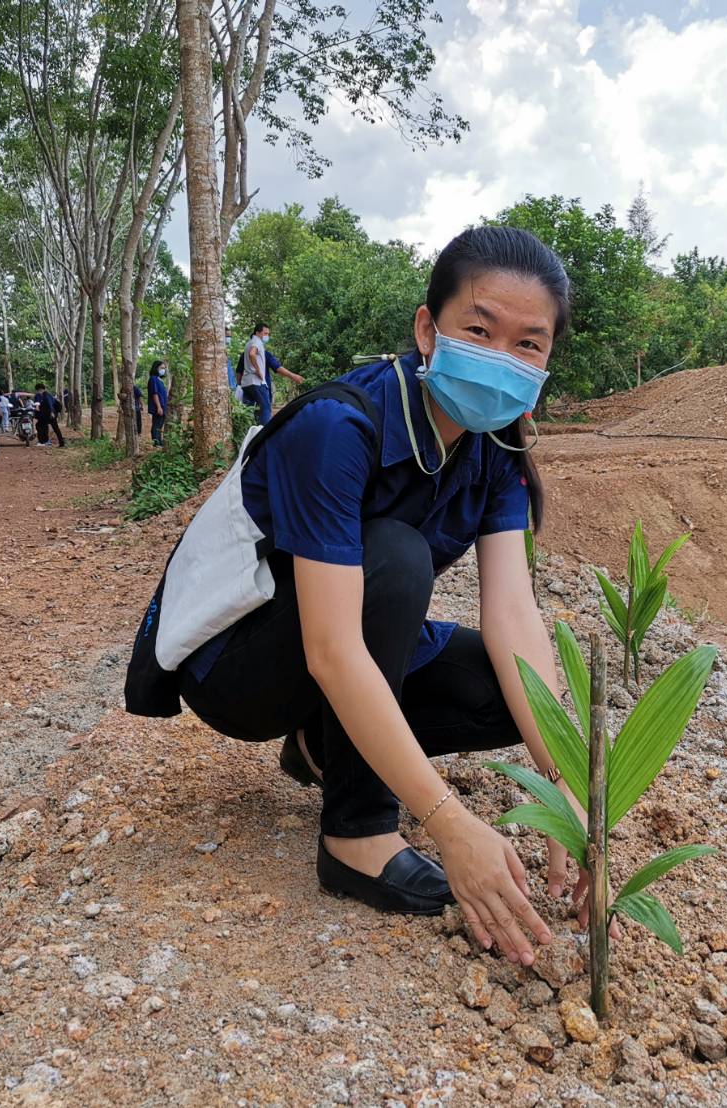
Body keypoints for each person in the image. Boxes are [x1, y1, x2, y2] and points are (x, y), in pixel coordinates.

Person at [147, 227, 601, 962]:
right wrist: (448, 823)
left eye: (527, 344)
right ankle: (356, 834)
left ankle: (322, 747)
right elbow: (329, 647)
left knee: (498, 688)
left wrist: (570, 795)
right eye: (478, 330)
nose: (498, 358)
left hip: (331, 648)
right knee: (394, 553)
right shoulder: (339, 427)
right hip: (239, 666)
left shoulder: (497, 449)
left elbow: (514, 614)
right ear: (428, 329)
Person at [237, 324, 273, 425]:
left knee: (249, 411)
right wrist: (258, 370)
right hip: (257, 382)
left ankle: (249, 432)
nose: (267, 336)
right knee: (266, 408)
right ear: (257, 333)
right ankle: (265, 435)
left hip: (247, 383)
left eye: (268, 334)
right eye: (265, 333)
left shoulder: (248, 343)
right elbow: (252, 354)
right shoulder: (257, 342)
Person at [33, 382, 65, 447]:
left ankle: (43, 441)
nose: (38, 392)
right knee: (52, 428)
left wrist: (51, 412)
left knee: (40, 426)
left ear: (41, 389)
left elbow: (49, 404)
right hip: (48, 415)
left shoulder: (46, 395)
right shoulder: (47, 395)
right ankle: (58, 443)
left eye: (38, 390)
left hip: (49, 415)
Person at [147, 360, 169, 446]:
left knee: (160, 425)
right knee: (156, 424)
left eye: (164, 368)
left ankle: (159, 441)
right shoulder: (153, 379)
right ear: (156, 368)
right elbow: (154, 394)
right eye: (161, 368)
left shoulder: (159, 380)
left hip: (163, 406)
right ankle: (156, 443)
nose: (163, 370)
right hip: (158, 406)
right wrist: (159, 407)